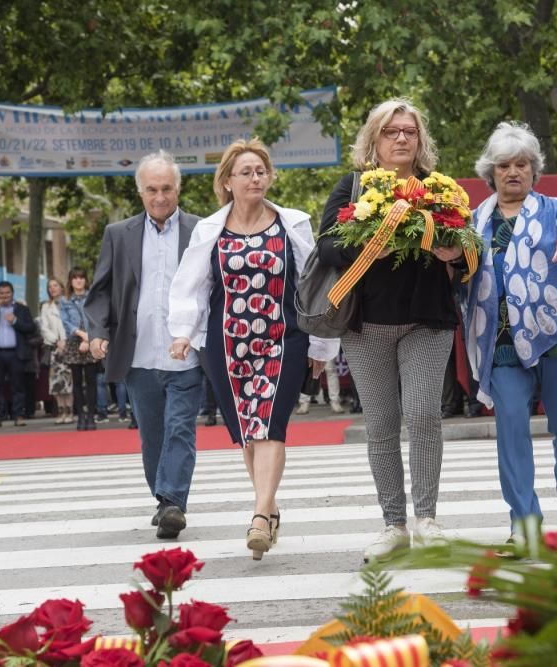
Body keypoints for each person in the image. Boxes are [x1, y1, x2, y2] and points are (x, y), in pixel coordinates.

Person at [169, 138, 339, 560]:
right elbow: (191, 285)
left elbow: (314, 286)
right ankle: (271, 507)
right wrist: (182, 332)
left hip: (284, 340)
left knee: (271, 425)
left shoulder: (293, 224)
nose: (255, 178)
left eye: (261, 171)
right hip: (227, 345)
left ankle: (260, 515)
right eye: (245, 172)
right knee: (249, 431)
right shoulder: (210, 230)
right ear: (227, 181)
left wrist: (321, 343)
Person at [317, 98, 462, 562]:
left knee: (422, 415)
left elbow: (468, 250)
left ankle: (428, 520)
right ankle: (393, 525)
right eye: (390, 131)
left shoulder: (440, 191)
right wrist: (368, 247)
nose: (401, 138)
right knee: (380, 426)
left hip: (427, 319)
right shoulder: (353, 188)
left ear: (421, 141)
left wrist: (456, 255)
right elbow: (326, 247)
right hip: (365, 324)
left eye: (409, 131)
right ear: (373, 140)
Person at [461, 121, 557, 536]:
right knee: (511, 430)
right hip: (500, 341)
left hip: (553, 336)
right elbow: (459, 273)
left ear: (533, 169)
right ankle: (524, 522)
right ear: (492, 172)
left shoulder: (554, 209)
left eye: (522, 164)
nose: (513, 172)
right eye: (504, 165)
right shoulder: (474, 222)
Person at [86, 150, 202, 541]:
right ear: (140, 192)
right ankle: (163, 497)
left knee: (180, 429)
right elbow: (99, 291)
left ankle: (173, 502)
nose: (160, 197)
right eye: (152, 189)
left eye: (167, 188)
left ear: (177, 188)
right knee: (152, 434)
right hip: (138, 354)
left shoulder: (200, 230)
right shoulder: (118, 234)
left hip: (186, 354)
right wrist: (99, 331)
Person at [0, 281, 36, 427]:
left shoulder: (21, 309)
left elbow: (31, 328)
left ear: (12, 293)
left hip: (16, 353)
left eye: (7, 293)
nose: (5, 296)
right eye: (2, 293)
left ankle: (18, 415)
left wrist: (15, 321)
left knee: (18, 385)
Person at [60, 268, 101, 431]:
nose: (78, 281)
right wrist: (81, 334)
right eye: (75, 278)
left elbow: (97, 318)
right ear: (70, 281)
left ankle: (91, 416)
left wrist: (88, 337)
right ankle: (81, 417)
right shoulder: (65, 300)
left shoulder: (93, 296)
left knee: (92, 381)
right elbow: (65, 321)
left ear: (85, 280)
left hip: (91, 340)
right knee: (76, 382)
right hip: (73, 342)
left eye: (81, 277)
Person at [39, 277, 74, 424]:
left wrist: (66, 341)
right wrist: (56, 341)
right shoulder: (46, 306)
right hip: (54, 347)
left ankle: (70, 411)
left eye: (55, 285)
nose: (52, 289)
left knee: (69, 380)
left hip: (70, 345)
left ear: (61, 287)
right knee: (56, 381)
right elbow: (44, 327)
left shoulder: (69, 302)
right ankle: (60, 411)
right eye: (50, 287)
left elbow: (73, 322)